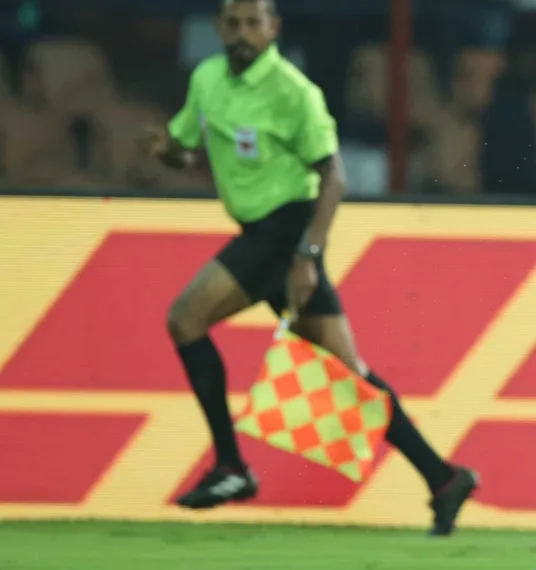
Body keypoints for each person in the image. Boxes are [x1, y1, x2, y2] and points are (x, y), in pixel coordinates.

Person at [143, 0, 477, 536]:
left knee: (185, 318)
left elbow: (335, 177)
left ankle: (231, 466)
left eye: (253, 22)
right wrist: (168, 153)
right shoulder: (207, 78)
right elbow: (188, 150)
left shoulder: (294, 93)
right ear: (218, 28)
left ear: (274, 28)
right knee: (349, 372)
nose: (242, 32)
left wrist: (308, 254)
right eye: (232, 23)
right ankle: (443, 477)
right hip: (262, 235)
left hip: (287, 230)